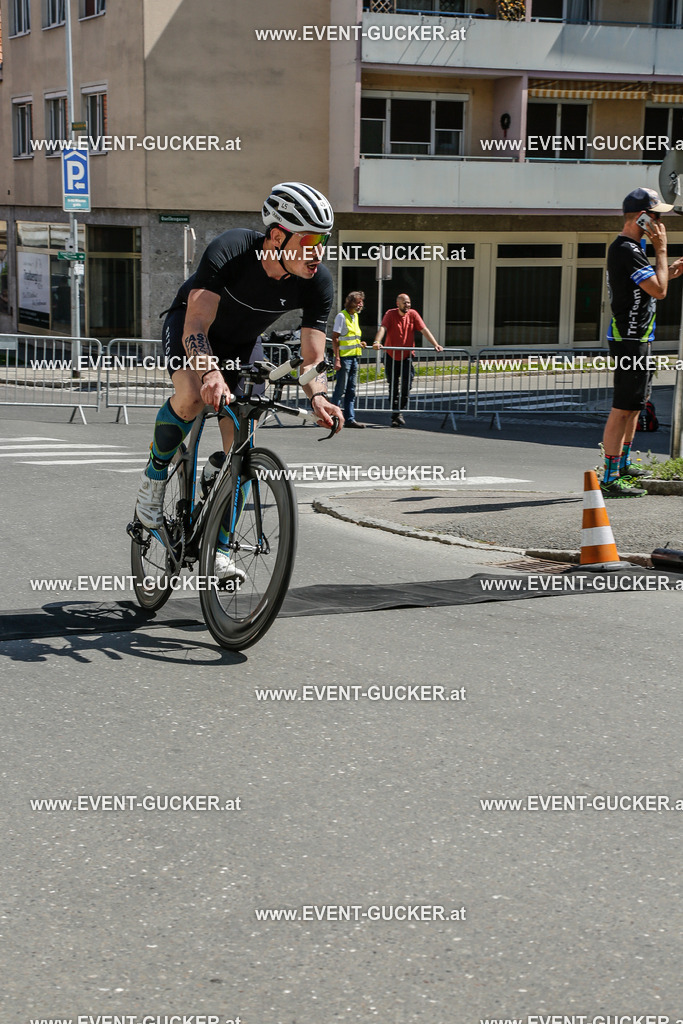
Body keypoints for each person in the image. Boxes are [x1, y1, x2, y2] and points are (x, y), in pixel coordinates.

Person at [135, 182, 342, 576]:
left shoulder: (317, 281)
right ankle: (154, 476)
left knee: (243, 434)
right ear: (277, 236)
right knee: (194, 397)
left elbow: (313, 360)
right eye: (311, 239)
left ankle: (222, 547)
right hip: (193, 329)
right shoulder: (231, 249)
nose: (319, 251)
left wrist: (318, 397)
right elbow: (196, 323)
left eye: (325, 240)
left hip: (244, 343)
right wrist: (210, 371)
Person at [601, 186, 683, 497]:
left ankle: (621, 465)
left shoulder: (633, 250)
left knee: (635, 407)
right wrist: (662, 251)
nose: (662, 223)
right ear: (643, 218)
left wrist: (669, 271)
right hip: (629, 337)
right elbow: (659, 292)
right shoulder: (627, 249)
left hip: (639, 335)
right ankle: (609, 476)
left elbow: (652, 286)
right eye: (658, 216)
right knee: (622, 408)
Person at [372, 293, 443, 427]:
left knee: (407, 385)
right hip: (391, 355)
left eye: (409, 303)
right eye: (405, 303)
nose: (407, 305)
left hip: (406, 356)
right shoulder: (390, 314)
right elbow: (383, 328)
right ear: (398, 304)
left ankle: (399, 410)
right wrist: (377, 341)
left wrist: (435, 344)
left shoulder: (413, 314)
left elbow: (424, 329)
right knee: (393, 386)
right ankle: (395, 415)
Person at [331, 290, 367, 428]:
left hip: (354, 357)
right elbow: (335, 337)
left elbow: (351, 337)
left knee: (351, 390)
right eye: (358, 302)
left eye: (361, 302)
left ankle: (350, 419)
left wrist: (360, 343)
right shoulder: (342, 316)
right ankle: (332, 417)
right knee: (340, 390)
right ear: (351, 303)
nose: (360, 305)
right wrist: (337, 359)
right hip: (345, 359)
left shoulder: (354, 317)